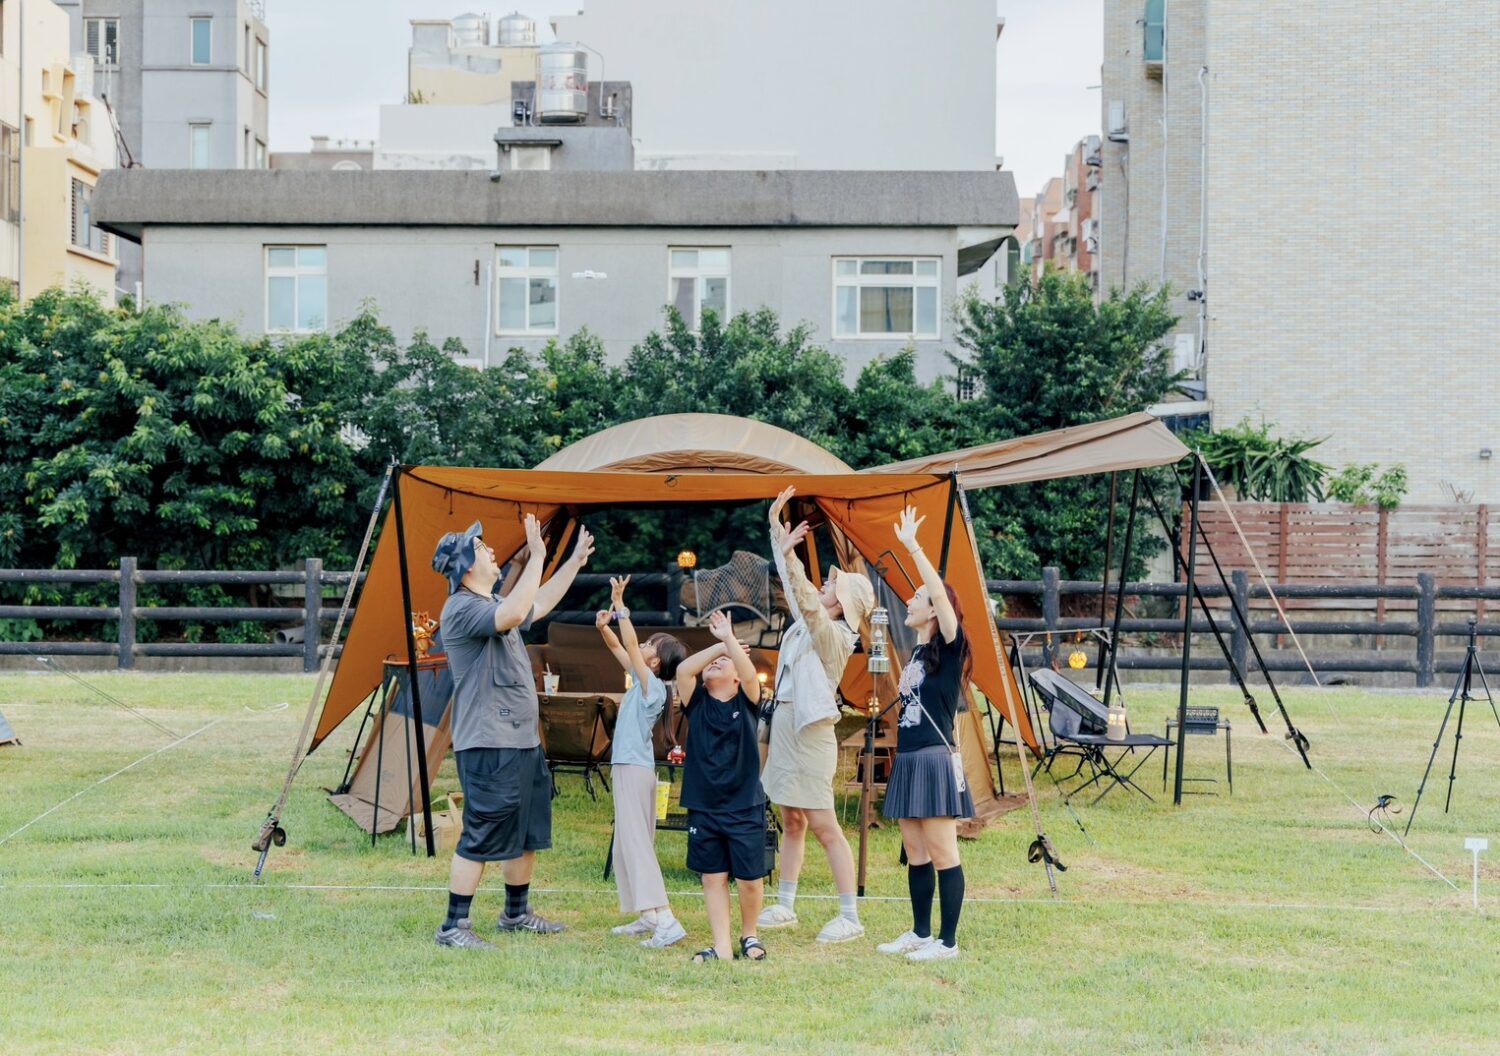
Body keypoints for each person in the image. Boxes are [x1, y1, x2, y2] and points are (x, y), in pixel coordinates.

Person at [430, 515, 594, 949]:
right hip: (489, 742)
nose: (490, 551)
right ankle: (453, 927)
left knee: (525, 833)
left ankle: (515, 914)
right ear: (466, 567)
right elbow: (520, 610)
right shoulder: (462, 609)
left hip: (521, 740)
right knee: (483, 832)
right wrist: (537, 553)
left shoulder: (494, 603)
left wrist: (573, 562)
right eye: (481, 549)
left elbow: (535, 604)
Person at [757, 486, 875, 943]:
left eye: (832, 586)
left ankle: (850, 916)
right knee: (791, 818)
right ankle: (785, 905)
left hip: (811, 734)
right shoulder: (809, 625)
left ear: (842, 603)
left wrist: (792, 560)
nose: (824, 587)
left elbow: (804, 599)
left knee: (823, 823)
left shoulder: (837, 636)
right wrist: (776, 532)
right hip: (786, 724)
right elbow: (797, 592)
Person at [875, 506, 974, 963]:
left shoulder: (950, 647)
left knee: (941, 850)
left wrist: (913, 546)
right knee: (915, 851)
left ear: (936, 610)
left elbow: (936, 589)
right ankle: (919, 932)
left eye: (917, 598)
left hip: (934, 757)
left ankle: (947, 943)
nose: (910, 601)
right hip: (911, 757)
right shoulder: (918, 652)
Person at [596, 575, 689, 948]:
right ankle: (647, 916)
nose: (642, 646)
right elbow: (621, 647)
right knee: (629, 842)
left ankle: (665, 918)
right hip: (632, 769)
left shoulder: (653, 687)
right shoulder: (644, 681)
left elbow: (630, 643)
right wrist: (605, 626)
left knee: (635, 843)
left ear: (654, 660)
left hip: (633, 770)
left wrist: (621, 606)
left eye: (649, 646)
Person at [675, 610, 769, 963]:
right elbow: (685, 670)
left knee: (749, 880)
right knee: (712, 878)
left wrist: (731, 643)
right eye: (714, 663)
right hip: (704, 804)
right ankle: (723, 946)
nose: (716, 665)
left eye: (724, 663)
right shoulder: (696, 702)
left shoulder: (747, 701)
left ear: (734, 679)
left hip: (744, 803)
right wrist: (719, 647)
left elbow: (748, 674)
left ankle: (749, 934)